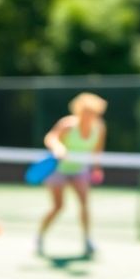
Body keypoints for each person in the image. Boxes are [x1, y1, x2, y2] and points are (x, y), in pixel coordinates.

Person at [35, 92, 107, 258]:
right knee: (58, 207)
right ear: (80, 111)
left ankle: (87, 240)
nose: (92, 116)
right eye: (89, 112)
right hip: (58, 170)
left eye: (95, 113)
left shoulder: (100, 128)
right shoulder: (67, 125)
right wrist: (58, 148)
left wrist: (97, 167)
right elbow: (51, 137)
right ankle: (39, 237)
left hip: (79, 170)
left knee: (84, 204)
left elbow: (97, 150)